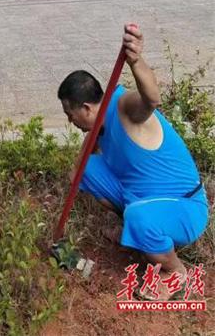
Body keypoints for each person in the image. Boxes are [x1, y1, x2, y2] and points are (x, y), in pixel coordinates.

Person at [58, 24, 208, 300]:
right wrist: (77, 171)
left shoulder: (124, 108)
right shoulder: (97, 128)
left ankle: (176, 272)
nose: (69, 121)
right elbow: (79, 168)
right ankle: (137, 230)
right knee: (85, 171)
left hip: (184, 207)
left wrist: (136, 60)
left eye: (70, 114)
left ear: (87, 109)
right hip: (145, 198)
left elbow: (151, 98)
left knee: (138, 216)